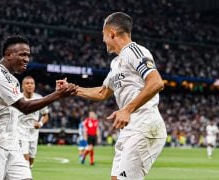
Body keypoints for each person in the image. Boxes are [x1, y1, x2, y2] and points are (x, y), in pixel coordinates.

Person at [66, 12, 167, 179]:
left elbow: (156, 82)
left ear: (111, 33)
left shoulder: (134, 51)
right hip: (129, 129)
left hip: (144, 126)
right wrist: (74, 89)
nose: (103, 40)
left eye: (103, 35)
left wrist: (127, 110)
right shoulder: (116, 63)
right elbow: (103, 92)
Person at [0, 35, 76, 180]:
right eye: (22, 54)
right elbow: (24, 106)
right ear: (8, 55)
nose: (27, 59)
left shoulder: (9, 77)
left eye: (28, 55)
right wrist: (57, 95)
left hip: (11, 145)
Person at [17, 76, 49, 167]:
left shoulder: (39, 99)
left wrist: (40, 123)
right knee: (25, 162)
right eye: (27, 83)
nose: (30, 85)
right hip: (20, 132)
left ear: (34, 86)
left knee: (31, 161)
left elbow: (45, 115)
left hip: (33, 133)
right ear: (22, 86)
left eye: (32, 83)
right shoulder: (18, 98)